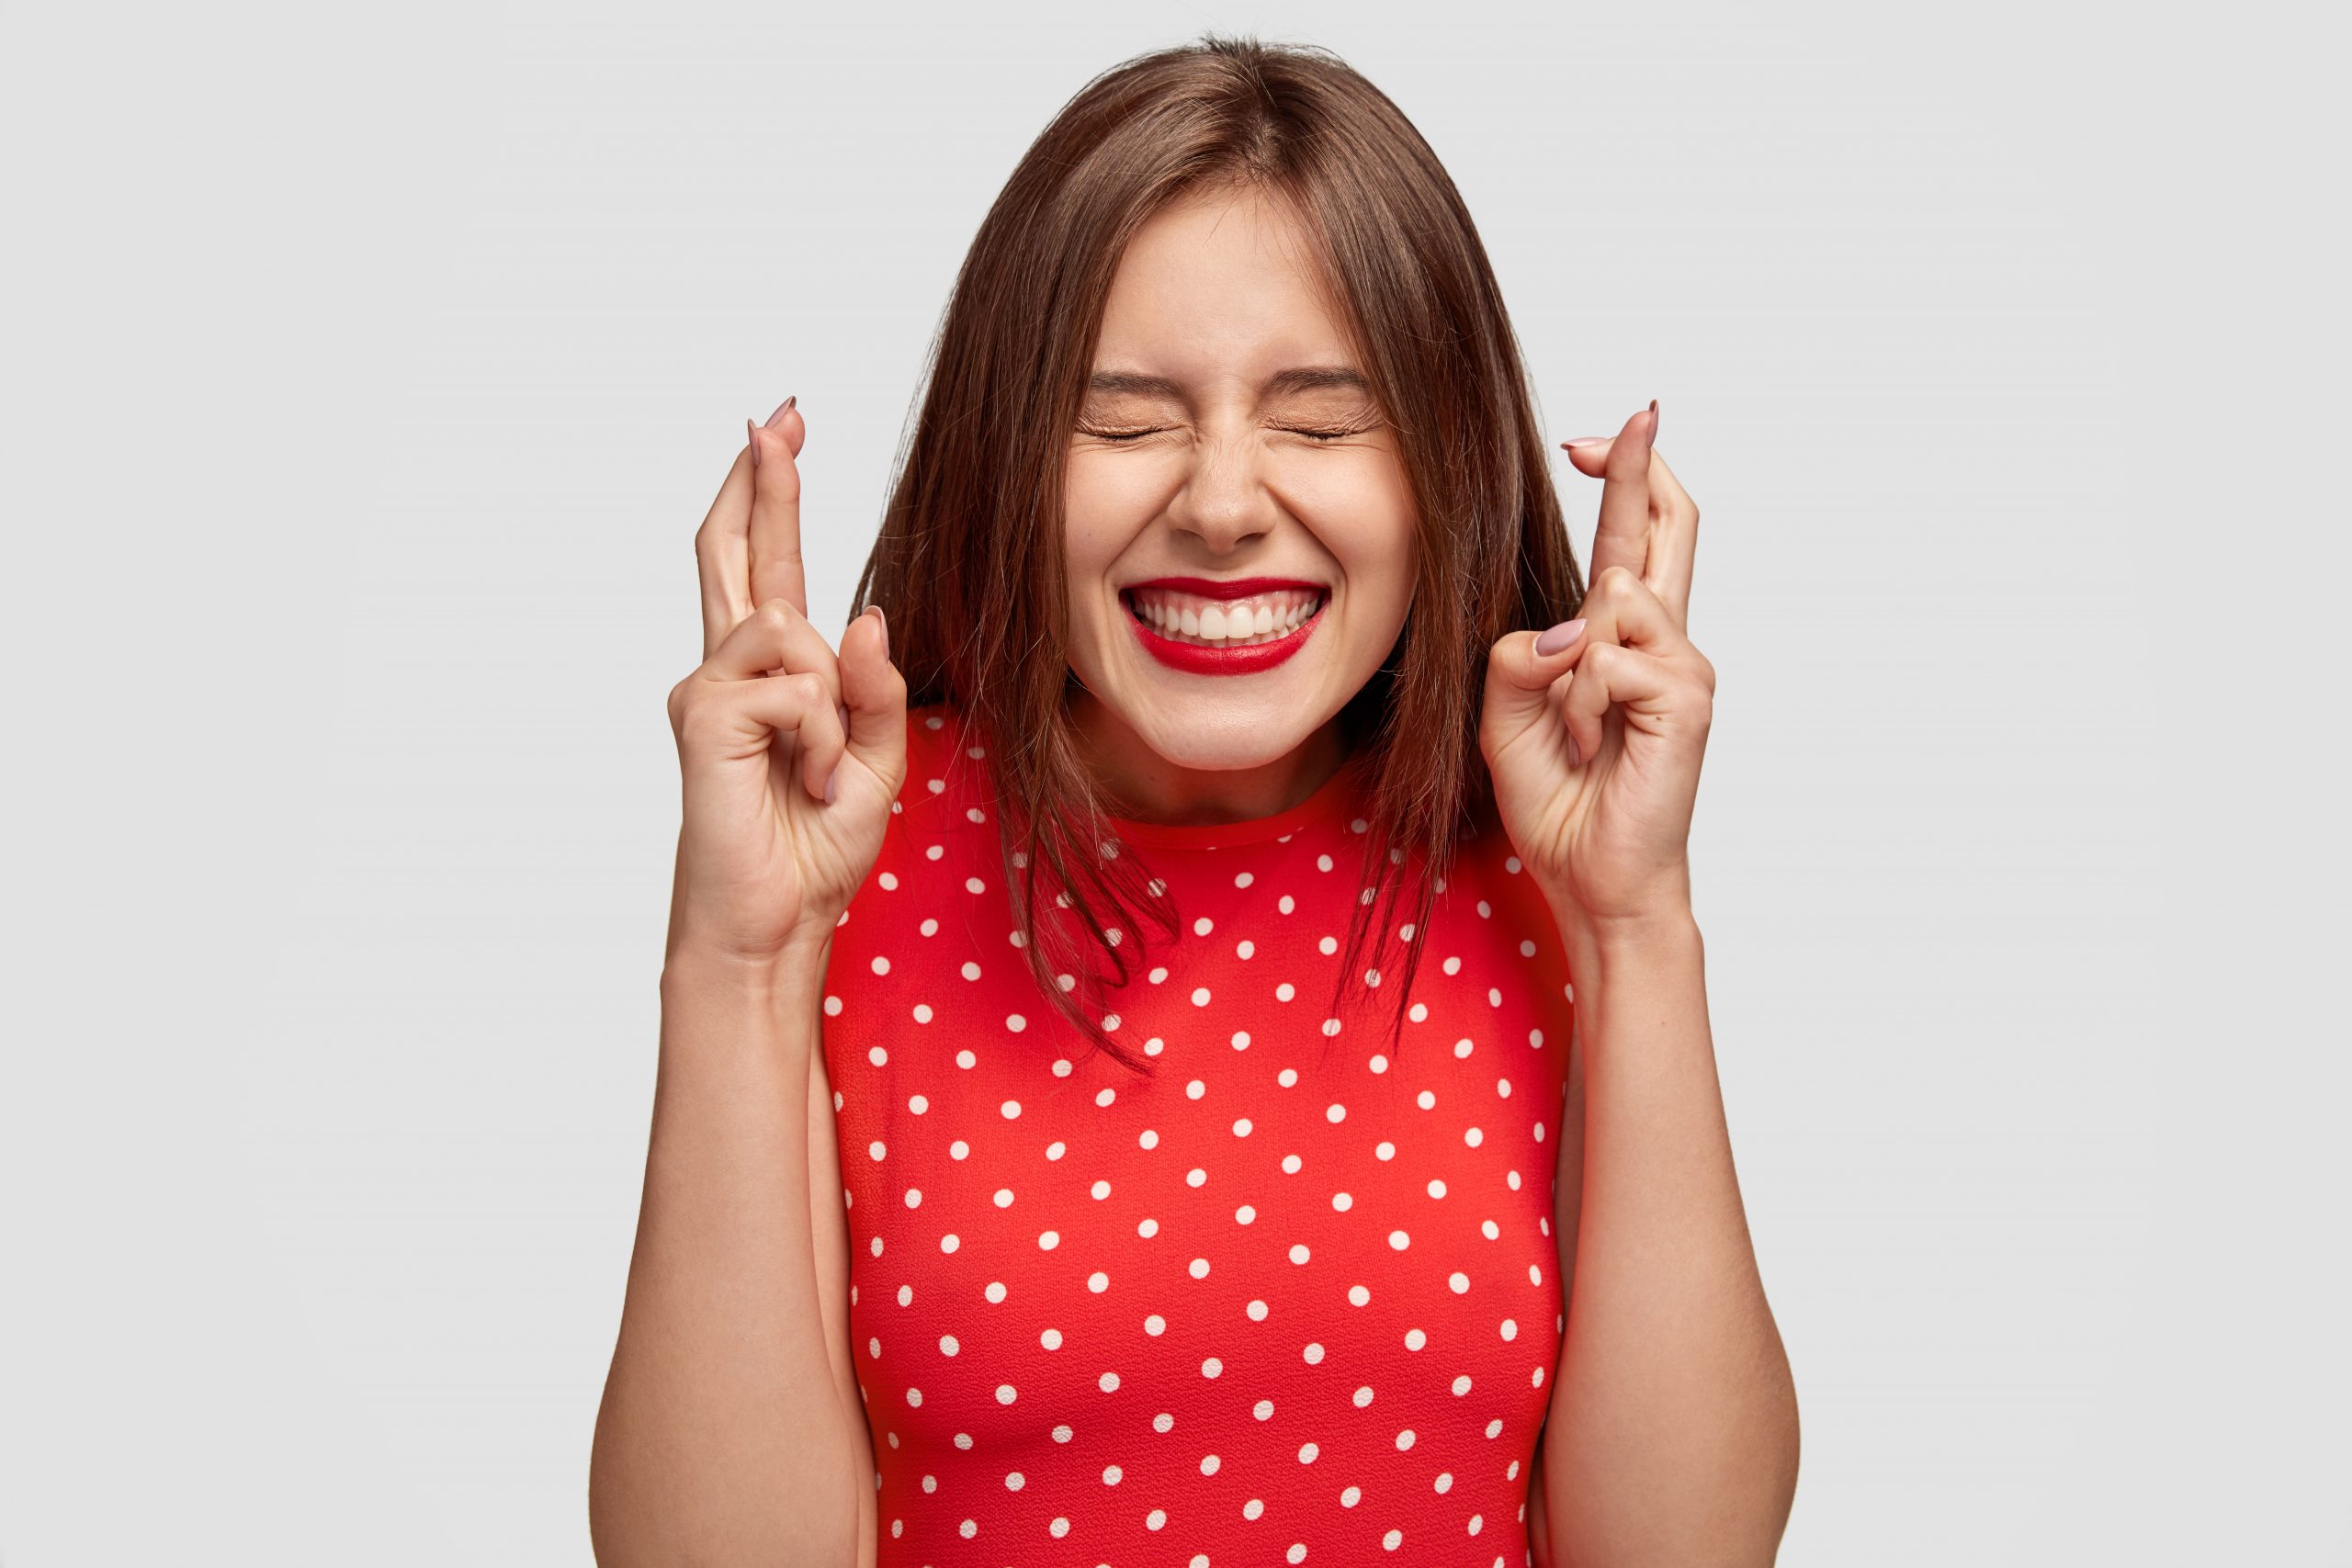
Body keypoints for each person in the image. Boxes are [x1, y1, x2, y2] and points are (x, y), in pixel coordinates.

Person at [590, 33, 1798, 1568]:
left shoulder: (1538, 870)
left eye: (1319, 419)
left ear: (1448, 469)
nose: (1223, 505)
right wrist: (742, 962)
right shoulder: (849, 866)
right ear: (1007, 458)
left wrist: (1636, 926)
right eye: (1127, 419)